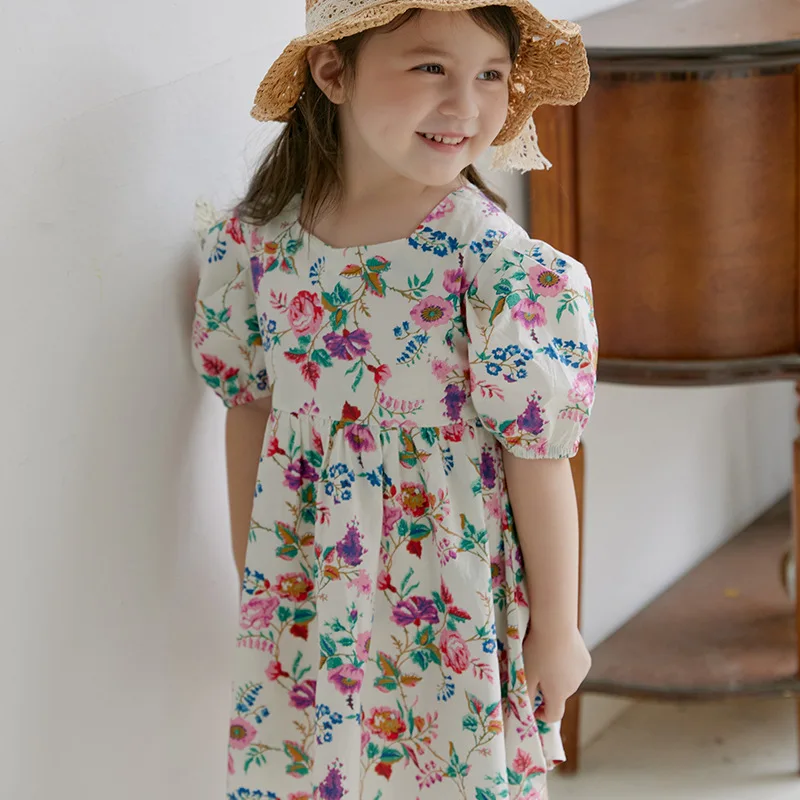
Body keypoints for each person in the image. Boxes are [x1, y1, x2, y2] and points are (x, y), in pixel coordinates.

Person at [191, 2, 598, 798]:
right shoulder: (259, 245)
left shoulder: (488, 259)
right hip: (310, 589)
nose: (466, 105)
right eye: (431, 67)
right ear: (332, 72)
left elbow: (537, 453)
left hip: (448, 597)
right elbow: (252, 410)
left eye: (490, 75)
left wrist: (558, 628)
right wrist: (256, 578)